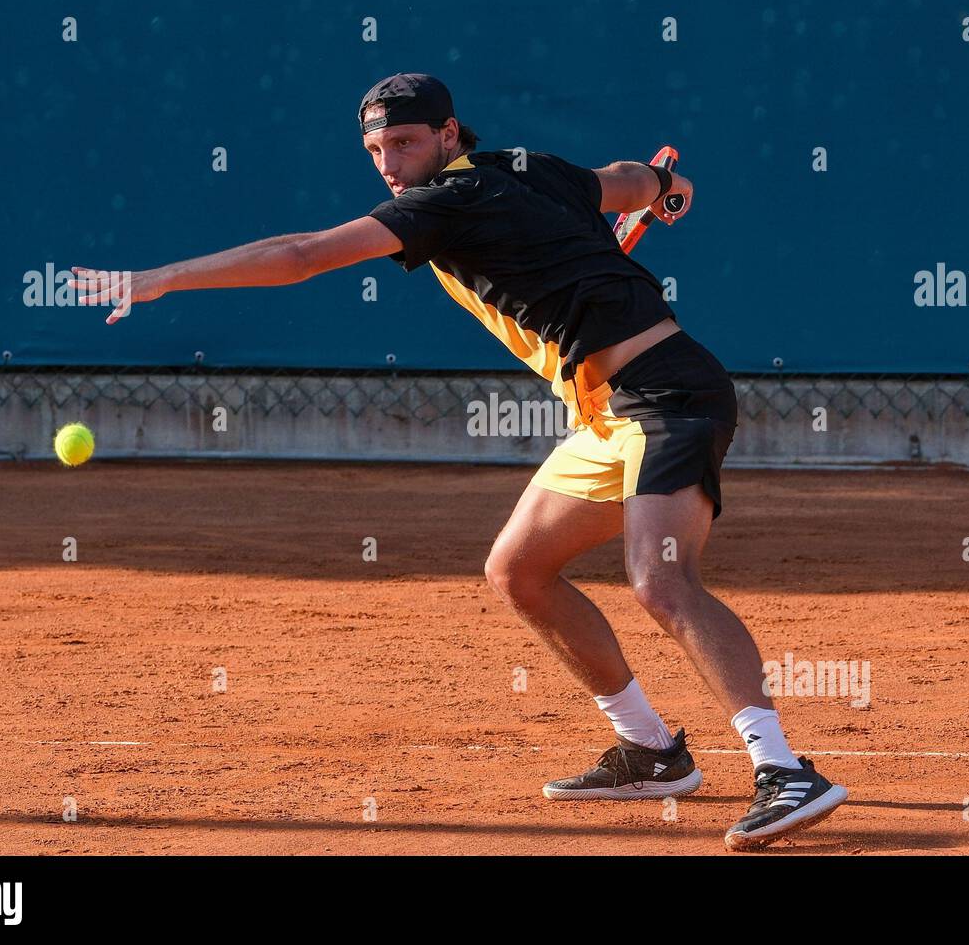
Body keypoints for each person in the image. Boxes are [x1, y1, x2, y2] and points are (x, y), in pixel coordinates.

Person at [72, 72, 848, 850]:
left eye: (405, 142)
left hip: (668, 397)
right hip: (604, 415)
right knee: (519, 570)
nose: (389, 163)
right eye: (376, 148)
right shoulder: (528, 167)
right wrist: (670, 184)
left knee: (661, 580)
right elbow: (623, 181)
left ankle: (784, 770)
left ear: (449, 134)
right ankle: (650, 749)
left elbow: (303, 254)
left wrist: (161, 279)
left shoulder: (442, 201)